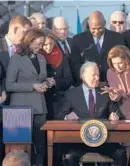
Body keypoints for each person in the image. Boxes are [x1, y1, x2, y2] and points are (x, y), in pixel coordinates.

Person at [55, 62, 127, 166]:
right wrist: (67, 117)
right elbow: (58, 116)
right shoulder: (71, 94)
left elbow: (116, 111)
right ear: (83, 76)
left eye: (98, 75)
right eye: (94, 75)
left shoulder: (105, 92)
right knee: (69, 156)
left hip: (104, 140)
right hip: (79, 141)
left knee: (120, 154)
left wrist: (115, 115)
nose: (97, 78)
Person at [5, 29, 53, 166]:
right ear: (29, 41)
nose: (41, 47)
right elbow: (9, 85)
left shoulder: (42, 59)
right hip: (20, 110)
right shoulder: (16, 59)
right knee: (19, 148)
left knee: (40, 146)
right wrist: (32, 86)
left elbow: (40, 79)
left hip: (40, 108)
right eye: (38, 44)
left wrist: (47, 82)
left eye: (42, 44)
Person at [0, 15, 32, 164]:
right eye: (25, 32)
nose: (28, 37)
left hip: (21, 106)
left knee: (18, 150)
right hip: (2, 103)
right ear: (14, 29)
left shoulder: (26, 50)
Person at [70, 10, 125, 86]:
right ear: (89, 24)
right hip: (88, 85)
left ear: (105, 23)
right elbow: (75, 65)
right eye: (93, 29)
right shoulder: (77, 40)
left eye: (99, 28)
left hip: (112, 84)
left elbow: (123, 61)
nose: (96, 31)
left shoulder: (117, 38)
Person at [102, 45, 130, 122]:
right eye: (114, 63)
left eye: (120, 63)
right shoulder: (110, 72)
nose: (117, 66)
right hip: (123, 111)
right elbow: (117, 97)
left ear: (127, 60)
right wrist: (113, 93)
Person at [41, 32, 73, 120]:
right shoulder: (37, 58)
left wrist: (56, 82)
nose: (48, 47)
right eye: (45, 44)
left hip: (59, 101)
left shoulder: (62, 57)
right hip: (42, 100)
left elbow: (69, 79)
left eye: (51, 43)